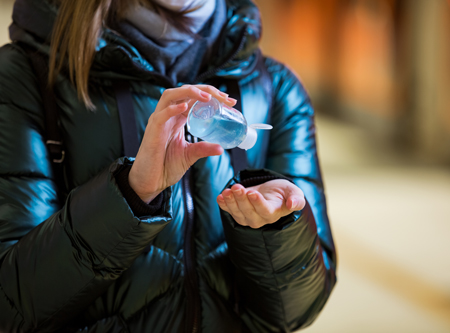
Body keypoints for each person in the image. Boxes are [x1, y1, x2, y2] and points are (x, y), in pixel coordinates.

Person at [0, 0, 337, 331]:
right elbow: (10, 308)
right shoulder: (23, 77)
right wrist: (131, 196)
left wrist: (277, 231)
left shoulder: (277, 89)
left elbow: (297, 311)